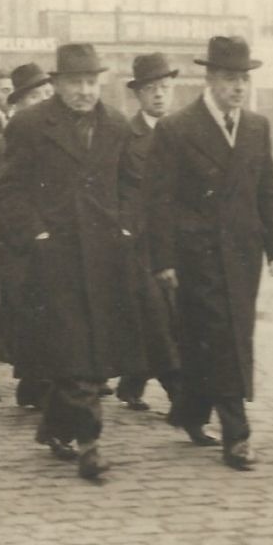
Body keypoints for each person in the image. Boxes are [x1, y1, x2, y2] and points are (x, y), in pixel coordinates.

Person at [0, 43, 146, 481]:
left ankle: (55, 426)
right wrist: (34, 233)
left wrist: (127, 227)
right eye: (75, 82)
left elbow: (134, 185)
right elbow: (8, 191)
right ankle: (91, 445)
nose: (84, 91)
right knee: (75, 351)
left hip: (104, 255)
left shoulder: (117, 125)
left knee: (88, 354)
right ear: (56, 84)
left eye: (91, 82)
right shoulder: (30, 125)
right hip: (53, 255)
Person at [147, 37, 273, 470]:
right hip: (197, 253)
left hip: (243, 254)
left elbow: (268, 190)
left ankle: (190, 412)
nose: (238, 87)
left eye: (244, 79)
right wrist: (164, 258)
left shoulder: (256, 127)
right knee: (223, 336)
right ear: (209, 79)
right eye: (229, 78)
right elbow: (160, 201)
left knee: (217, 338)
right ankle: (237, 433)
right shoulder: (177, 129)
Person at [0, 61, 53, 409]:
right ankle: (33, 379)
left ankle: (43, 381)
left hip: (50, 239)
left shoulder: (58, 140)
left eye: (47, 95)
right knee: (25, 312)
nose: (43, 102)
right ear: (17, 103)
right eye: (35, 96)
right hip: (15, 244)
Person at [114, 53, 185, 415]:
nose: (159, 95)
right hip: (139, 242)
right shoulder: (126, 136)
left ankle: (132, 381)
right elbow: (115, 188)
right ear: (138, 95)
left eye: (165, 88)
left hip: (176, 240)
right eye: (151, 89)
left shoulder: (182, 132)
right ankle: (180, 396)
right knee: (158, 317)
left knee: (170, 315)